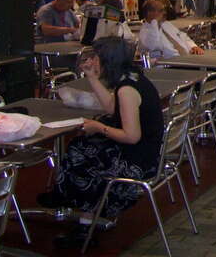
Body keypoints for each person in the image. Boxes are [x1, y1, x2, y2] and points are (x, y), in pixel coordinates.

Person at [38, 37, 164, 248]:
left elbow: (131, 136)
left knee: (82, 155)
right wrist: (92, 78)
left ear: (107, 60)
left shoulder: (127, 90)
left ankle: (82, 221)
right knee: (81, 147)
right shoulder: (131, 78)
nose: (92, 61)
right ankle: (70, 201)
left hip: (138, 161)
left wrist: (99, 128)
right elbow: (110, 109)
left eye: (95, 58)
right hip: (147, 151)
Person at [138, 0, 204, 59]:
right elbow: (155, 45)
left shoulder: (166, 24)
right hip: (168, 65)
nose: (164, 13)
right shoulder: (145, 32)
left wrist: (193, 46)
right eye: (161, 10)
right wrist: (154, 22)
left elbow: (183, 36)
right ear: (150, 13)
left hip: (186, 58)